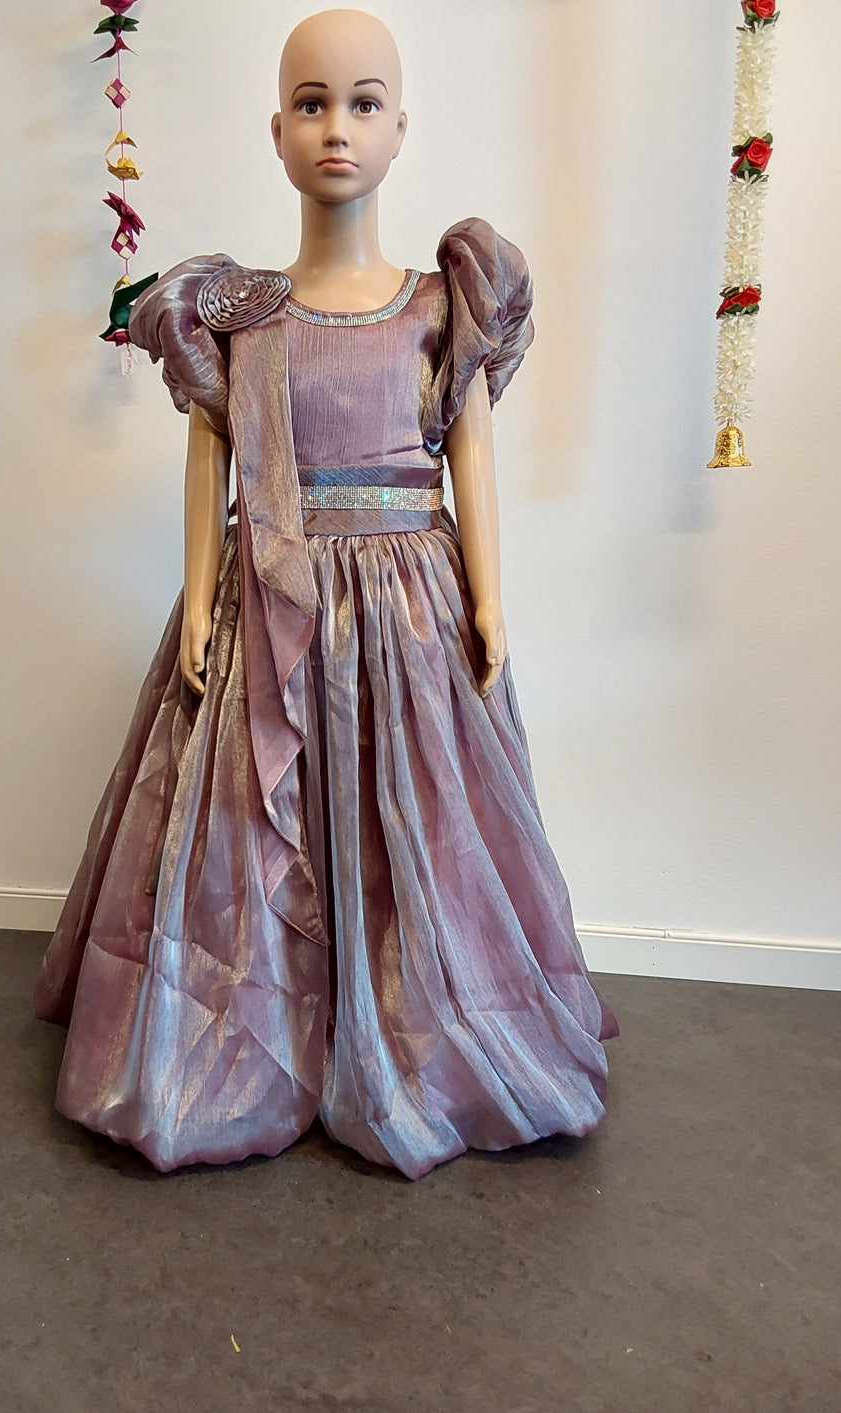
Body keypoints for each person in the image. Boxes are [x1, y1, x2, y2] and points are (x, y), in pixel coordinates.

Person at [34, 8, 619, 1181]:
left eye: (362, 103)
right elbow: (211, 459)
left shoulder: (443, 303)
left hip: (410, 606)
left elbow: (470, 452)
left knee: (421, 822)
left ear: (400, 129)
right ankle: (264, 1032)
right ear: (276, 130)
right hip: (269, 597)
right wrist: (198, 595)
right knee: (251, 826)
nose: (336, 128)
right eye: (311, 104)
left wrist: (489, 599)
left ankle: (413, 1026)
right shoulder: (237, 315)